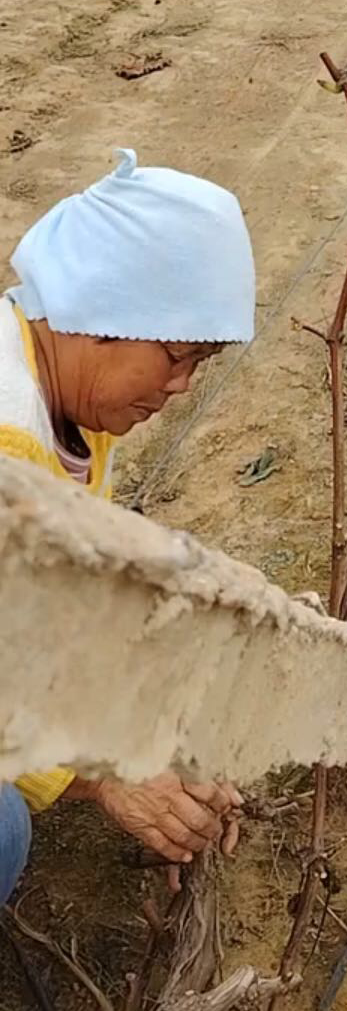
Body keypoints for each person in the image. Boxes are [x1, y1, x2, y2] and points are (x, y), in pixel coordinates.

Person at [0, 149, 257, 904]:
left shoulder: (73, 414)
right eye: (175, 357)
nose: (180, 388)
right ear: (104, 312)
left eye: (200, 366)